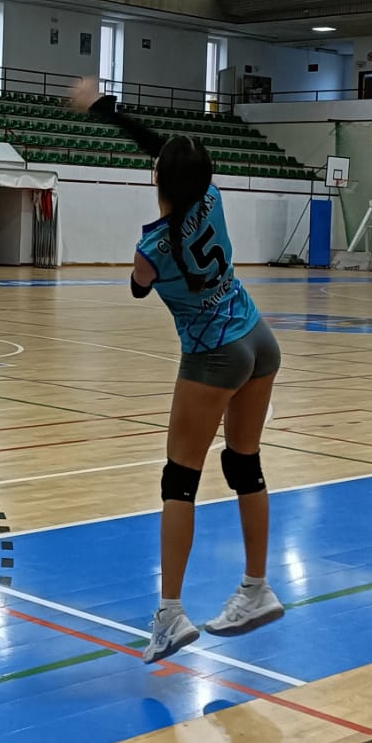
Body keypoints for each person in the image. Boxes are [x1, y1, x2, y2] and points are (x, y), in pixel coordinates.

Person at [71, 78, 285, 661]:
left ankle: (170, 615)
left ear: (158, 180)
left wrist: (104, 111)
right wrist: (110, 113)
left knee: (180, 480)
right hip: (258, 338)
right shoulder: (214, 199)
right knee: (244, 464)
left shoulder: (153, 248)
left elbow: (139, 289)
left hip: (213, 354)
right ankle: (257, 587)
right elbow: (167, 155)